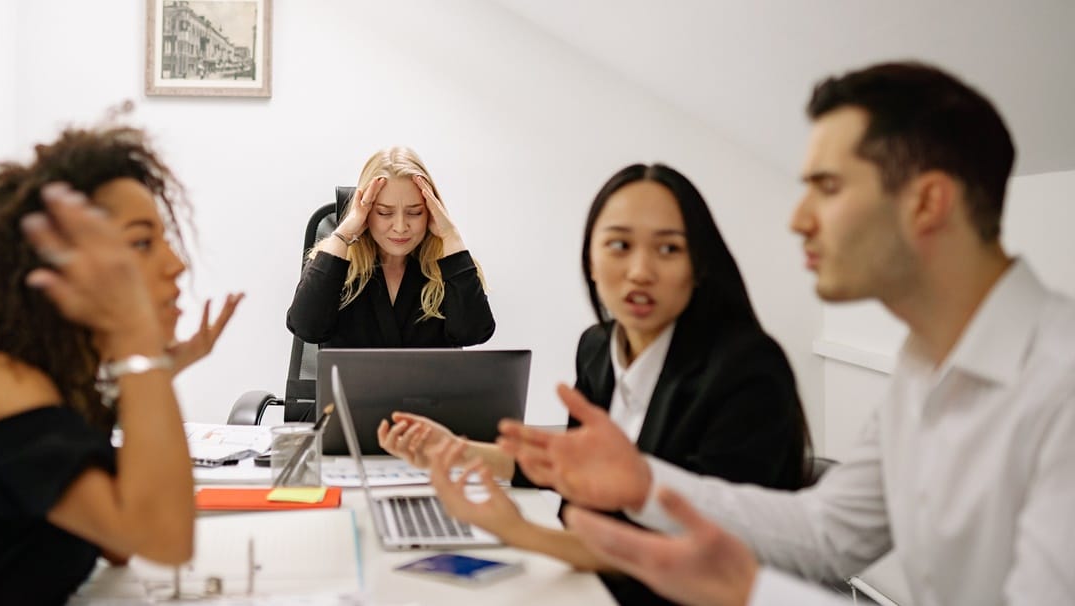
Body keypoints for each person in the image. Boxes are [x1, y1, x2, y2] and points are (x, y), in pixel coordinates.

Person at [505, 62, 1075, 606]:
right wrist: (642, 484)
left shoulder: (1059, 382)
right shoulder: (923, 366)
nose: (798, 218)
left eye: (826, 187)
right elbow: (827, 535)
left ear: (927, 202)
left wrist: (745, 591)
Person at [0, 124, 244, 605]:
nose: (176, 264)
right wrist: (139, 350)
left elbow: (116, 542)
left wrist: (143, 371)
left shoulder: (56, 389)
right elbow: (164, 537)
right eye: (141, 243)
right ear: (54, 272)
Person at [381, 163, 811, 605]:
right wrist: (457, 449)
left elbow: (692, 561)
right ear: (590, 259)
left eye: (668, 249)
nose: (640, 271)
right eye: (620, 245)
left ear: (698, 265)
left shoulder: (746, 371)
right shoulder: (599, 348)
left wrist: (516, 531)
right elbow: (570, 472)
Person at [285, 146, 494, 349]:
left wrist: (451, 236)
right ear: (365, 212)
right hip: (352, 386)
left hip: (431, 386)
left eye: (415, 212)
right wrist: (343, 236)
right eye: (385, 213)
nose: (401, 227)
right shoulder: (334, 260)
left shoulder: (448, 264)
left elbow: (474, 332)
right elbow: (306, 328)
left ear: (431, 211)